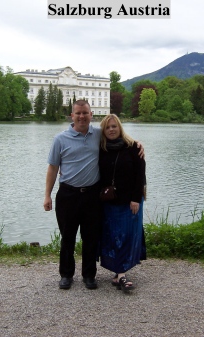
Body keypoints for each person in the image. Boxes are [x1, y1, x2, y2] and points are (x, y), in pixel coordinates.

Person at [44, 100, 143, 290]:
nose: (82, 116)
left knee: (91, 237)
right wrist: (47, 195)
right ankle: (66, 275)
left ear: (91, 115)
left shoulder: (98, 134)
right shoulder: (60, 139)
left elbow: (120, 137)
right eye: (78, 113)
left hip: (92, 195)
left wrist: (138, 144)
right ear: (72, 115)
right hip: (68, 195)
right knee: (67, 237)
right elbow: (53, 168)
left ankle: (89, 275)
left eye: (85, 113)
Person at [98, 114, 146, 293]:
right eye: (107, 127)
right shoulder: (101, 148)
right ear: (103, 130)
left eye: (114, 126)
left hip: (129, 201)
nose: (111, 129)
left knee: (126, 236)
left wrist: (136, 198)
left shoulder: (133, 147)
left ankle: (121, 273)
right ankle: (119, 272)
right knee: (112, 237)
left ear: (120, 128)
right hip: (109, 202)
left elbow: (140, 174)